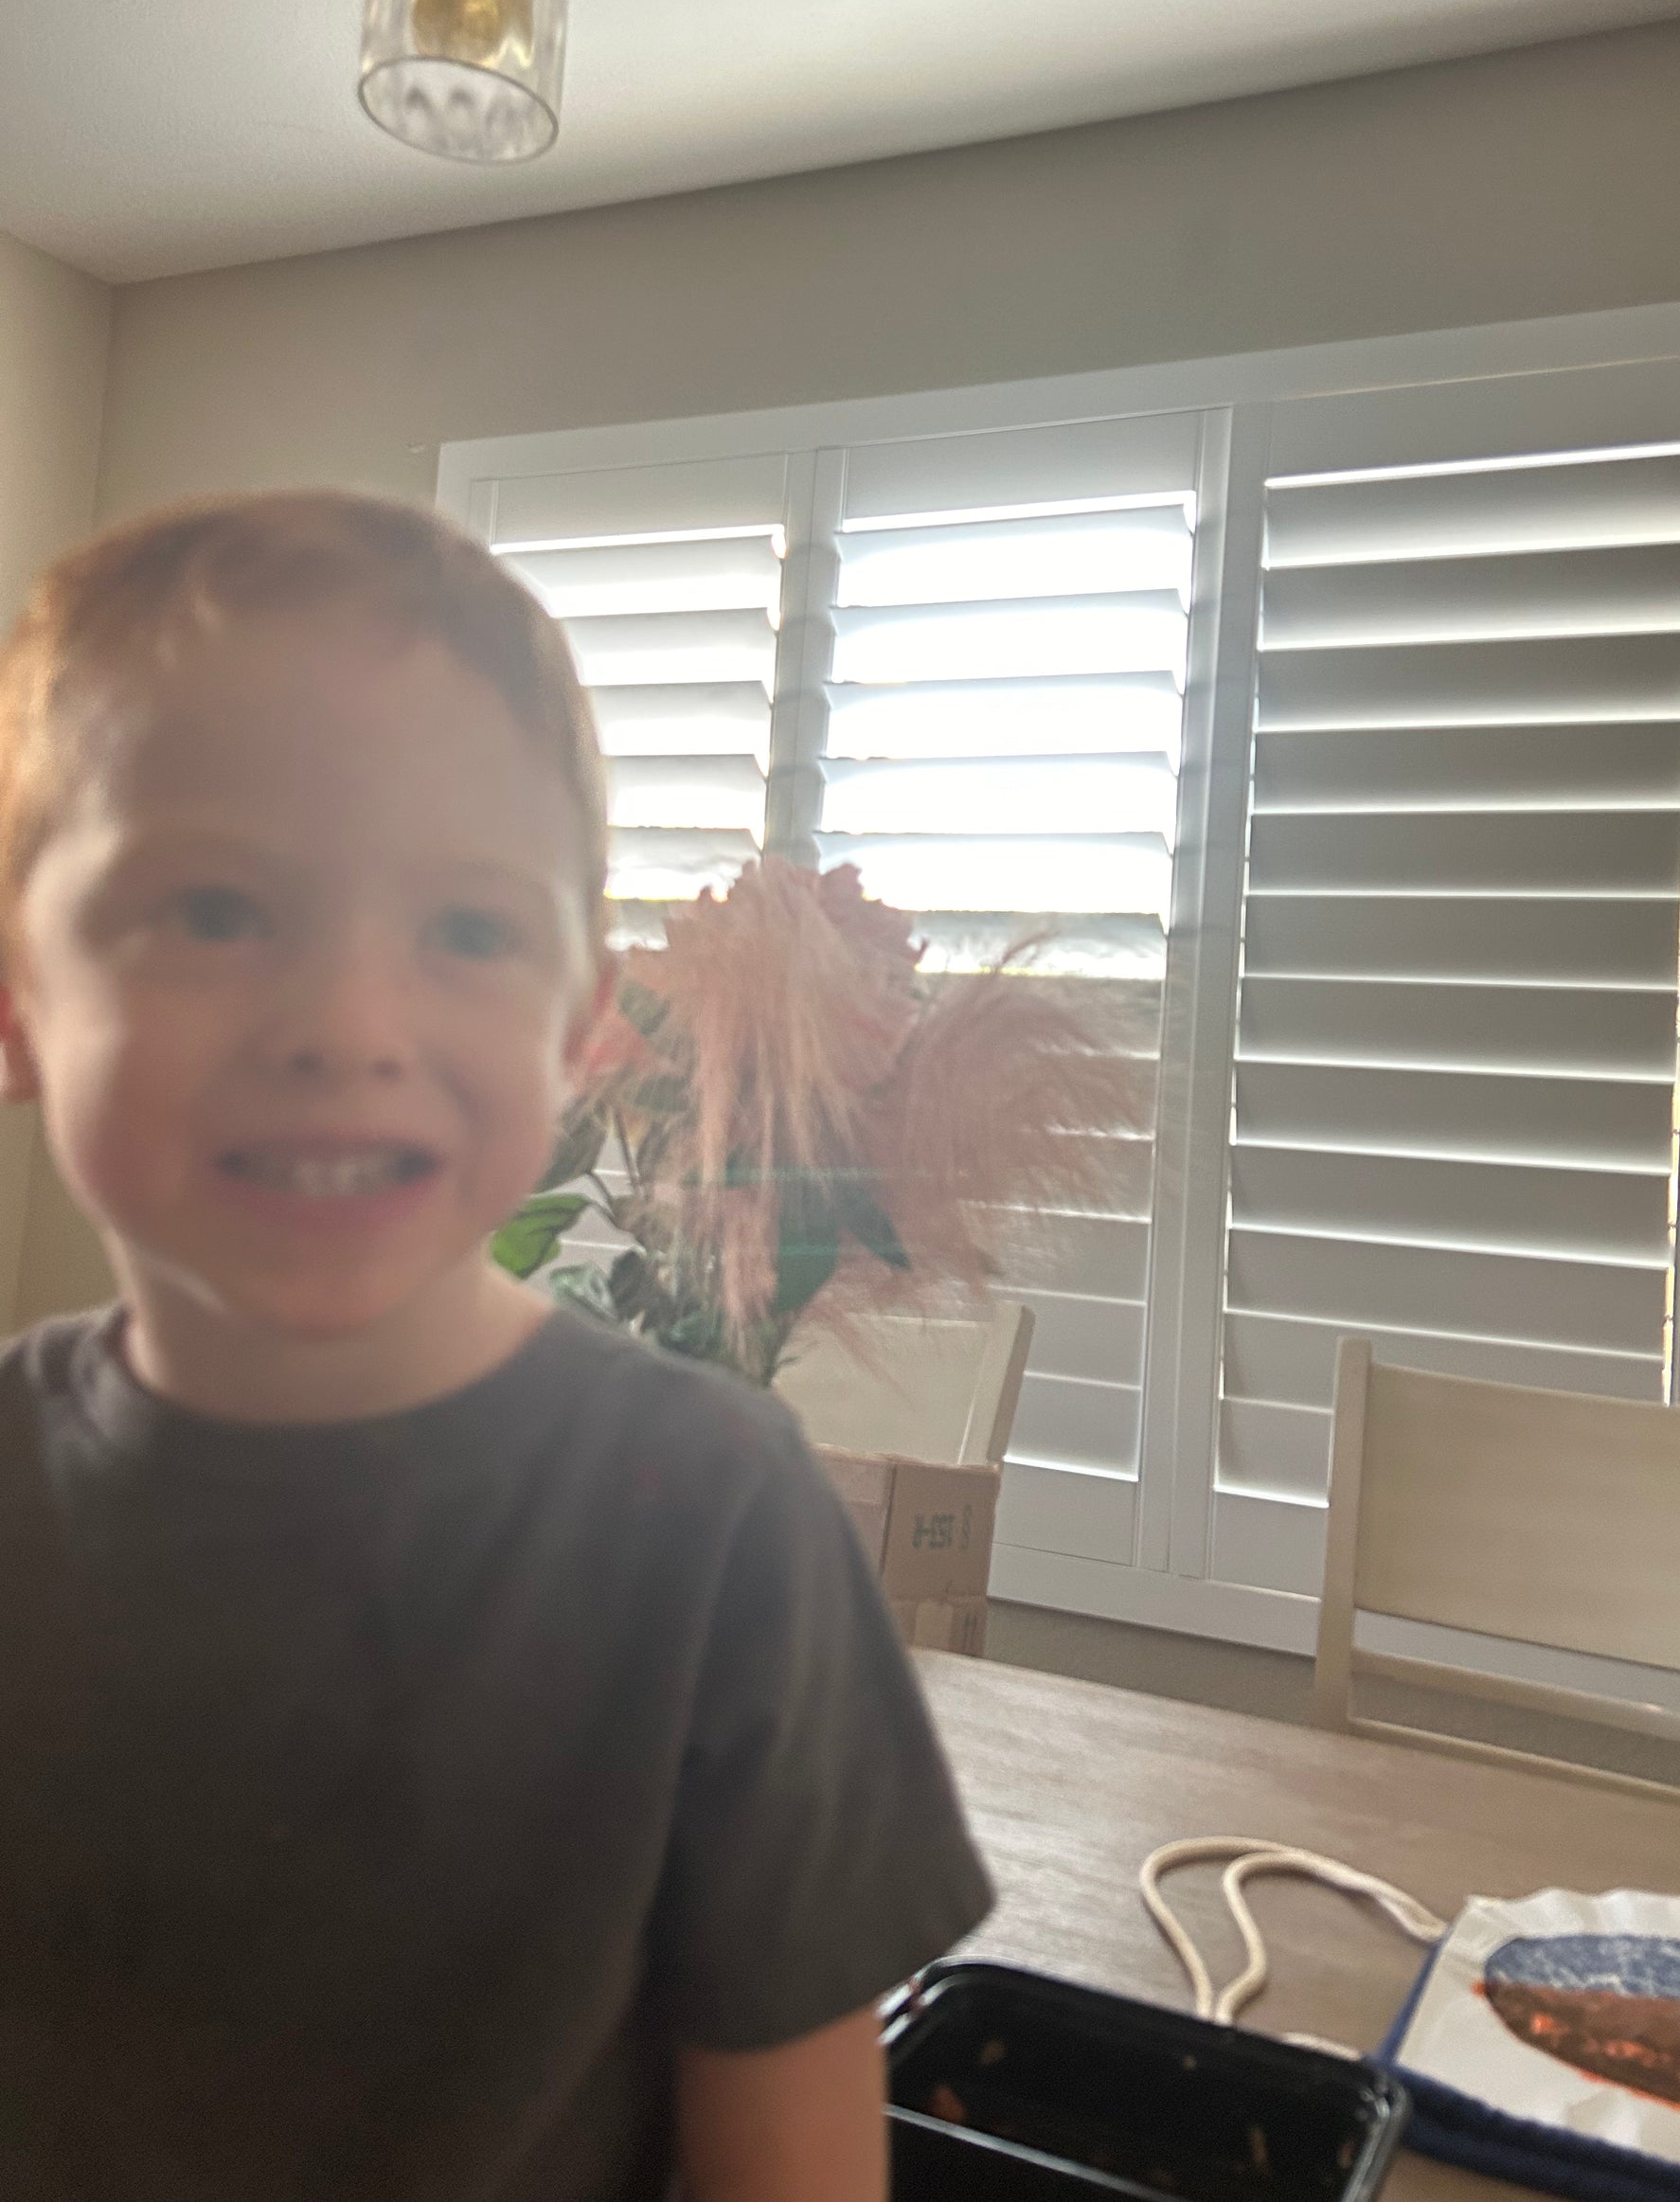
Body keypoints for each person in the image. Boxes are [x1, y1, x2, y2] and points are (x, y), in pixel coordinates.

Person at [0, 492, 992, 2202]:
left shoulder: (716, 1524)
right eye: (216, 911)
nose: (346, 1027)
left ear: (581, 1026)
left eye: (466, 928)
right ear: (18, 999)